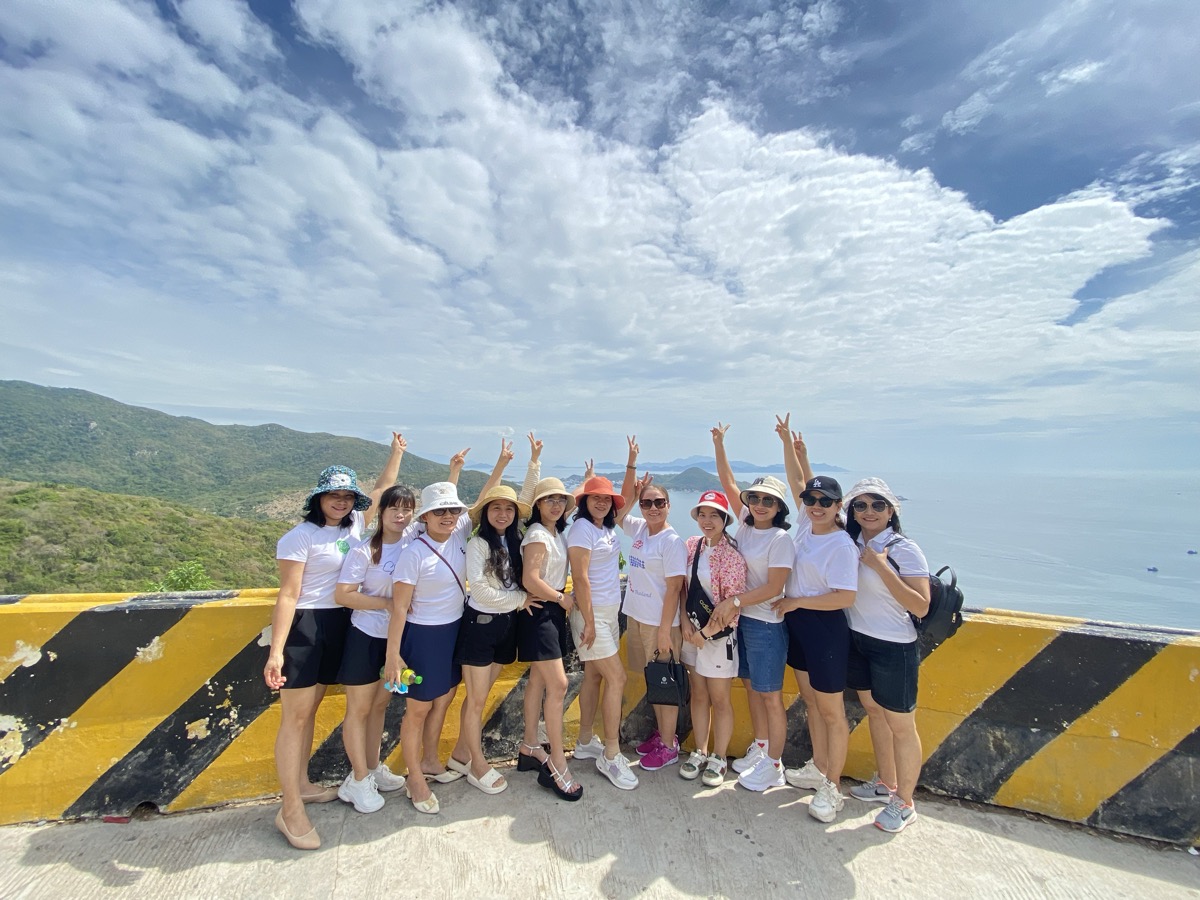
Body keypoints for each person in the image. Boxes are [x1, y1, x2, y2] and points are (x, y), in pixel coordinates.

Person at [264, 433, 406, 850]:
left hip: (343, 624)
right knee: (296, 715)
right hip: (307, 627)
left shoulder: (357, 525)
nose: (341, 502)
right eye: (334, 495)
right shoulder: (298, 537)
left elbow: (380, 491)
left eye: (347, 496)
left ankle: (303, 785)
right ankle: (289, 808)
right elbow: (287, 595)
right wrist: (276, 651)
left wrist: (395, 453)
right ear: (319, 499)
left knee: (309, 713)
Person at [384, 443, 512, 814]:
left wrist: (501, 464)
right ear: (424, 517)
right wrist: (394, 655)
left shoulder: (459, 534)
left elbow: (485, 500)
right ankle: (416, 780)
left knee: (444, 700)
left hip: (457, 630)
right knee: (418, 710)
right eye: (439, 511)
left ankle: (429, 760)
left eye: (452, 510)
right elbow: (399, 609)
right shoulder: (414, 554)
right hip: (424, 637)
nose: (447, 516)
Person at [770, 415, 858, 822]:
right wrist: (788, 443)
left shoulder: (840, 544)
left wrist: (797, 605)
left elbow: (844, 596)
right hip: (800, 625)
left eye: (826, 502)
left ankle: (833, 787)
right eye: (812, 501)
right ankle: (819, 767)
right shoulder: (807, 526)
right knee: (810, 701)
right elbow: (797, 480)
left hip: (823, 629)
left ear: (839, 507)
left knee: (831, 712)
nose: (817, 506)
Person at [708, 423, 795, 793]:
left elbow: (776, 587)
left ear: (779, 508)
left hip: (766, 625)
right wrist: (719, 444)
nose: (759, 505)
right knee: (752, 688)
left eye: (768, 501)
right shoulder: (745, 525)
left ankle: (774, 765)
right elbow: (728, 481)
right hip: (741, 623)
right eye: (755, 499)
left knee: (770, 695)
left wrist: (735, 601)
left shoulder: (780, 539)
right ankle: (761, 749)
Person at [843, 477, 931, 833]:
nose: (869, 511)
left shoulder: (903, 548)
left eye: (877, 505)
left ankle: (905, 802)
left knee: (901, 726)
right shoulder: (851, 542)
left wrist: (880, 565)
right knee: (875, 713)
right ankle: (886, 783)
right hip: (858, 639)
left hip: (894, 645)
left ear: (891, 511)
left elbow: (921, 605)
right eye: (861, 505)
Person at [333, 479, 420, 814]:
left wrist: (454, 470)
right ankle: (356, 780)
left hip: (395, 640)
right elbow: (343, 594)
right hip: (365, 637)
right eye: (394, 508)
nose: (400, 514)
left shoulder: (412, 539)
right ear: (381, 512)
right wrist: (386, 604)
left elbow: (449, 511)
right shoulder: (365, 550)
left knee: (380, 706)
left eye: (406, 509)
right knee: (359, 709)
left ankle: (371, 767)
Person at [444, 483, 531, 796]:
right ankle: (477, 765)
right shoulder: (480, 543)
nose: (503, 513)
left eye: (509, 509)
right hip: (480, 626)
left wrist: (534, 462)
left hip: (505, 627)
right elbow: (479, 590)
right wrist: (522, 598)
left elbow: (528, 497)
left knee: (477, 697)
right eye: (496, 508)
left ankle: (460, 755)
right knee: (477, 699)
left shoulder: (513, 538)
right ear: (485, 513)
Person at [568, 439, 639, 790]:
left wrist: (630, 463)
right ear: (584, 502)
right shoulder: (581, 529)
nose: (601, 501)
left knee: (595, 678)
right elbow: (579, 577)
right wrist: (591, 623)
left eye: (606, 499)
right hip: (592, 616)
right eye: (594, 497)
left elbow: (626, 495)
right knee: (618, 679)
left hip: (608, 613)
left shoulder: (606, 528)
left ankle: (584, 742)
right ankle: (611, 754)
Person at [516, 434, 583, 801]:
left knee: (539, 685)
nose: (556, 504)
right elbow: (530, 579)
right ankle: (557, 762)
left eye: (561, 499)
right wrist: (563, 598)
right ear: (538, 504)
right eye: (549, 499)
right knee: (557, 686)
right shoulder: (539, 534)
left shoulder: (556, 532)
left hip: (548, 613)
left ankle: (529, 747)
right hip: (542, 613)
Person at [622, 439, 688, 772]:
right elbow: (618, 512)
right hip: (637, 616)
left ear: (668, 504)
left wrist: (665, 631)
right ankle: (662, 737)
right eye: (647, 503)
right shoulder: (640, 530)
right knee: (654, 680)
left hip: (660, 624)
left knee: (665, 682)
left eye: (659, 502)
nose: (653, 508)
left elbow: (675, 588)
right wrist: (632, 466)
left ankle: (670, 744)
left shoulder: (671, 541)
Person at [678, 490, 746, 786]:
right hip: (692, 633)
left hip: (717, 638)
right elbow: (683, 588)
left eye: (714, 515)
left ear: (724, 519)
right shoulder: (693, 546)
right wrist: (684, 624)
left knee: (719, 699)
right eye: (702, 515)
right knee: (699, 694)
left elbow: (732, 603)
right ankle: (700, 750)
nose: (707, 521)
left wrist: (705, 633)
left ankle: (719, 756)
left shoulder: (731, 556)